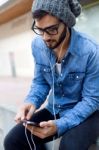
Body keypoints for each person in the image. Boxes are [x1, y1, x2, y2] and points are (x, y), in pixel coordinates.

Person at [4, 0, 99, 150]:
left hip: (87, 112)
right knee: (13, 141)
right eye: (40, 30)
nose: (45, 37)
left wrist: (61, 125)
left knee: (70, 146)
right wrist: (31, 102)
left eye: (52, 29)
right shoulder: (37, 45)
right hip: (56, 107)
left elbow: (92, 99)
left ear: (66, 23)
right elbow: (40, 83)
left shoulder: (91, 50)